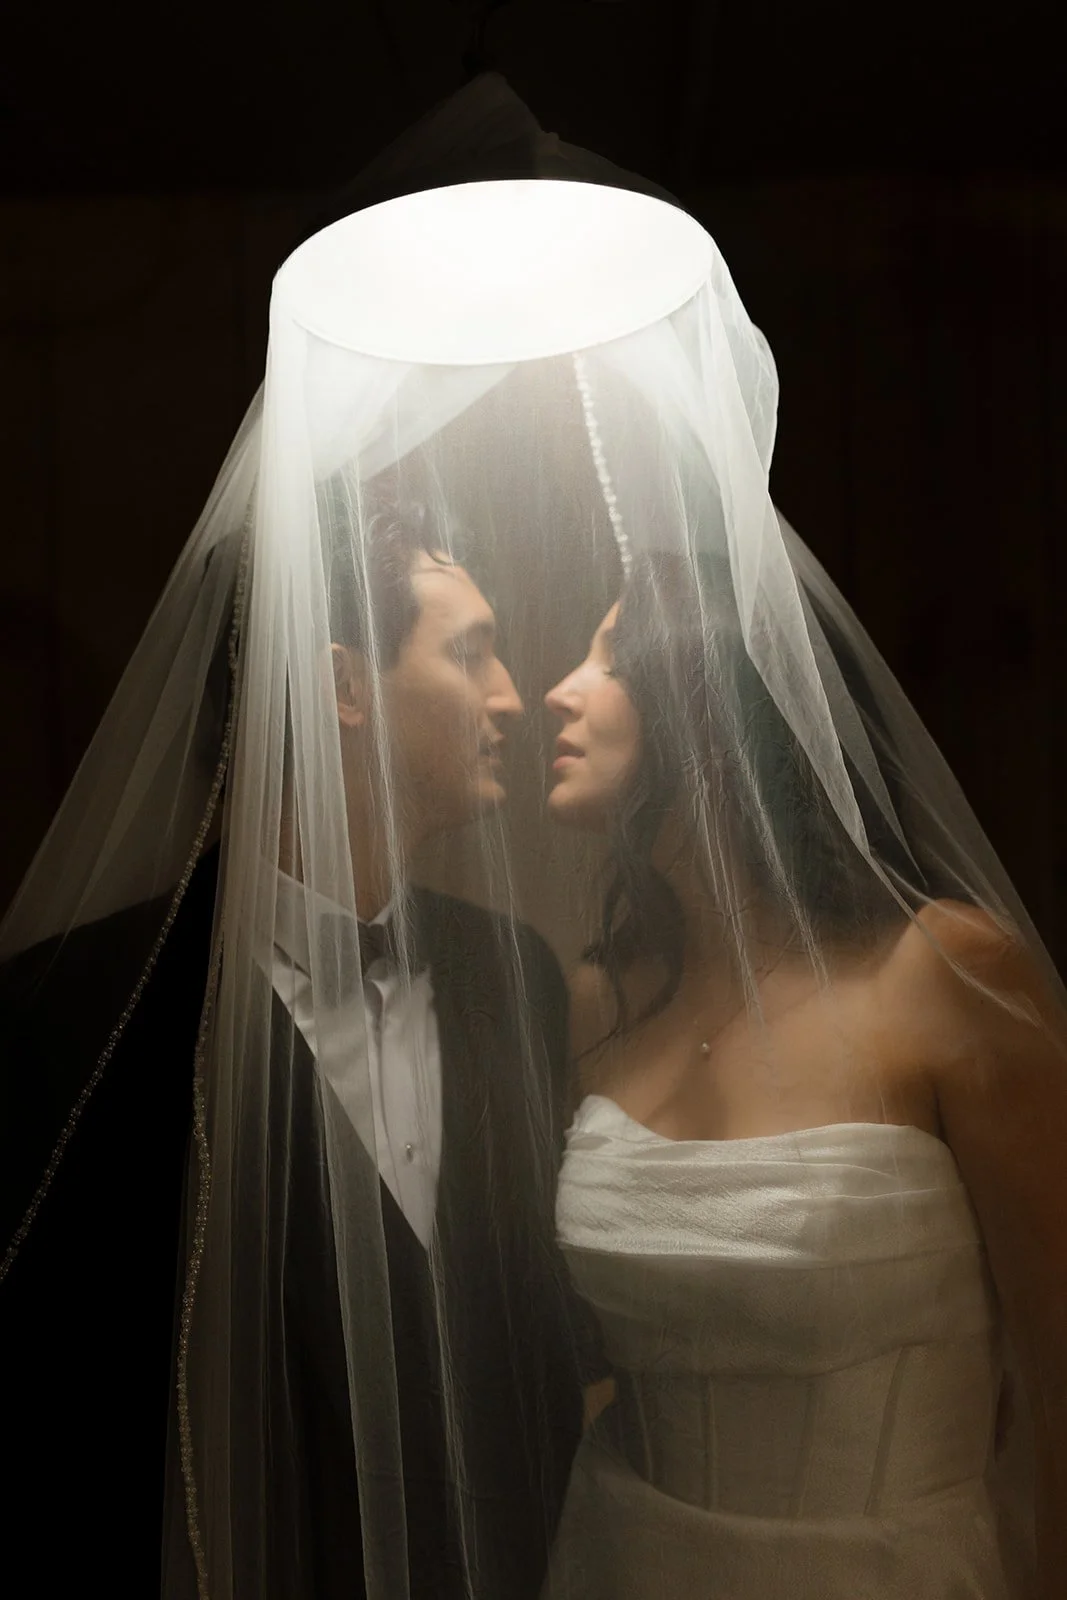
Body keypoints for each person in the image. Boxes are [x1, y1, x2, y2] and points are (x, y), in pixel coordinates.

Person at [0, 495, 586, 1599]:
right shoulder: (71, 1010)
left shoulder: (517, 982)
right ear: (343, 685)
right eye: (471, 653)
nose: (513, 696)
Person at [539, 549, 1067, 1598]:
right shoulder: (603, 1002)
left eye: (608, 657)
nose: (559, 687)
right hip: (617, 1561)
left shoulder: (942, 971)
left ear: (706, 696)